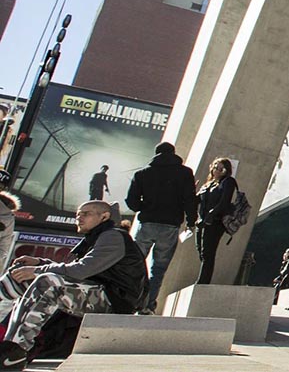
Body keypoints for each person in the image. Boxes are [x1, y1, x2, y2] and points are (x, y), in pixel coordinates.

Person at [0, 201, 147, 370]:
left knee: (46, 282)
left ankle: (14, 353)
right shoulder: (95, 237)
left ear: (104, 216)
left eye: (86, 214)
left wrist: (38, 269)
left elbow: (81, 270)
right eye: (78, 214)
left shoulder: (113, 236)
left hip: (116, 301)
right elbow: (74, 270)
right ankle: (6, 340)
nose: (79, 218)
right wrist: (40, 262)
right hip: (98, 293)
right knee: (22, 275)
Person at [124, 141, 197, 313]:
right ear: (173, 153)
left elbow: (131, 202)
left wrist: (145, 206)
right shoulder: (185, 173)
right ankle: (148, 305)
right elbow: (189, 199)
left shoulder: (142, 173)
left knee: (135, 265)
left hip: (147, 223)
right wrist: (191, 221)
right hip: (170, 226)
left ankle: (130, 301)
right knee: (159, 269)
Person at [195, 158, 237, 284]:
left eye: (221, 169)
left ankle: (203, 282)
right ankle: (203, 280)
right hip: (202, 222)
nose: (217, 171)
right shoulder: (209, 184)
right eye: (215, 168)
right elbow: (196, 200)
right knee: (201, 251)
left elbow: (224, 202)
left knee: (208, 252)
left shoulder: (227, 182)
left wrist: (210, 216)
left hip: (215, 222)